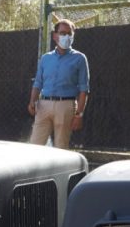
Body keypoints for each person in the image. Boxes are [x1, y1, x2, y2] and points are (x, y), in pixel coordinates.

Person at [28, 19, 89, 149]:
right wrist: (32, 101)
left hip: (66, 105)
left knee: (61, 147)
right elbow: (38, 82)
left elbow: (84, 89)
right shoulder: (45, 58)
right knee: (34, 146)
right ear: (55, 36)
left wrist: (79, 114)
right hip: (43, 105)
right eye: (62, 33)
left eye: (69, 33)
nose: (66, 37)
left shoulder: (79, 58)